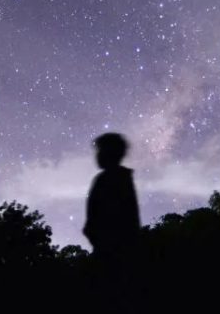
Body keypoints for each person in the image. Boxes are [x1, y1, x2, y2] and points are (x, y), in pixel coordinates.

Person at [83, 133, 141, 314]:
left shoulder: (112, 180)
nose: (97, 155)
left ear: (110, 153)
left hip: (112, 254)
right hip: (112, 252)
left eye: (100, 151)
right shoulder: (117, 179)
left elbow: (126, 220)